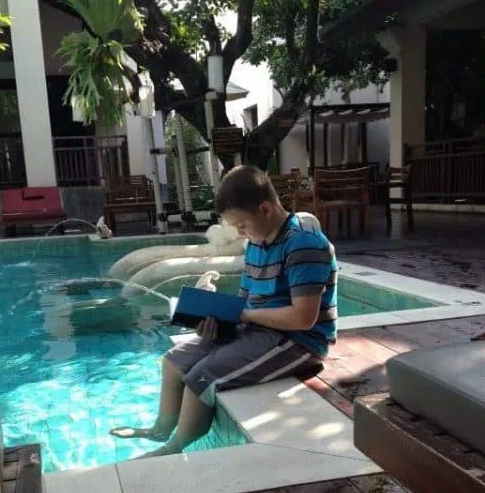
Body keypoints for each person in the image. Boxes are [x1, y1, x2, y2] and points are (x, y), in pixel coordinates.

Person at [109, 165, 338, 457]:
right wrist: (218, 320)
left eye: (242, 224)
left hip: (299, 342)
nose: (240, 233)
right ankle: (161, 429)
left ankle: (175, 447)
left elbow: (303, 318)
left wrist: (247, 316)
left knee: (202, 376)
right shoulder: (256, 242)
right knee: (174, 362)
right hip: (259, 330)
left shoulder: (303, 244)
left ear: (266, 209)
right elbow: (245, 301)